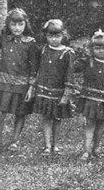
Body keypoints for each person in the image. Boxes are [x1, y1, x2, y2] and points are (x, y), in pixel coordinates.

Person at [0, 8, 37, 151]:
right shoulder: (3, 39)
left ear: (25, 24)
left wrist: (31, 87)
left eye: (20, 24)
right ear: (8, 25)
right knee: (0, 112)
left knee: (20, 113)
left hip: (22, 83)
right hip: (4, 81)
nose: (17, 28)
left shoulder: (30, 43)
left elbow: (34, 66)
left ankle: (15, 140)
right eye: (13, 24)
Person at [69, 29, 104, 160]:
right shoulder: (88, 62)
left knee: (100, 126)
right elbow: (73, 67)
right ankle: (86, 150)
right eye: (97, 48)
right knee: (90, 124)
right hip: (90, 99)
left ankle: (95, 149)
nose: (101, 51)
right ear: (92, 49)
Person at [29, 19, 74, 155]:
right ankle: (47, 145)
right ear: (46, 36)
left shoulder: (67, 53)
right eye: (50, 36)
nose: (54, 39)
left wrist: (66, 94)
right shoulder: (43, 49)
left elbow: (69, 74)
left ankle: (56, 144)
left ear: (63, 35)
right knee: (46, 117)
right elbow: (35, 68)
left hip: (58, 91)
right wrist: (33, 86)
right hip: (44, 89)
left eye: (57, 36)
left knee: (57, 118)